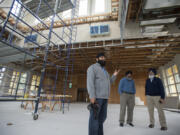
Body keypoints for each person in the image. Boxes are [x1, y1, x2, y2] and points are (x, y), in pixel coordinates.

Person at [87, 52, 120, 135]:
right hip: (97, 97)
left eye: (104, 58)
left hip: (105, 98)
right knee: (94, 119)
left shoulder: (105, 71)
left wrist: (114, 75)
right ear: (97, 59)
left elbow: (110, 81)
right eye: (101, 57)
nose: (103, 59)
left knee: (102, 118)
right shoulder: (92, 68)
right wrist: (92, 96)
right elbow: (90, 82)